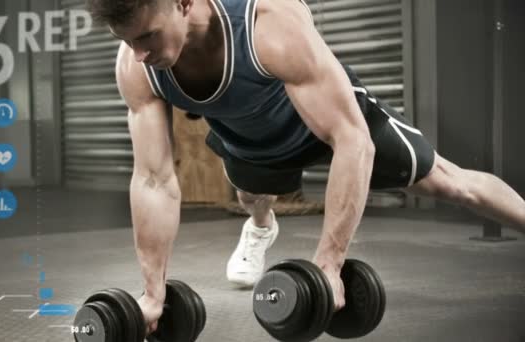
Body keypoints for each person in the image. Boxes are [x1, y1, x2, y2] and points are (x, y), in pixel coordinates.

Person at [86, 0, 525, 335]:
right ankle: (261, 228)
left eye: (147, 37)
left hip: (327, 122)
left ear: (182, 2)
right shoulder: (137, 69)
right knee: (250, 197)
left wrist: (329, 266)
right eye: (127, 41)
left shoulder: (267, 24)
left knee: (450, 184)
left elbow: (352, 140)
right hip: (250, 142)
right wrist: (152, 293)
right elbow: (154, 179)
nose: (139, 53)